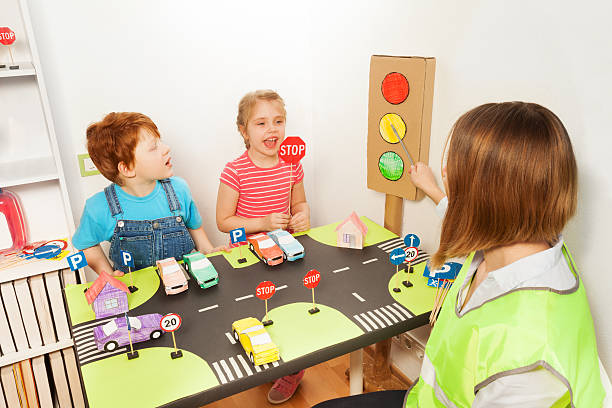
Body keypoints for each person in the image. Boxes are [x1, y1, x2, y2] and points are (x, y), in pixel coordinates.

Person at [314, 102, 605, 407]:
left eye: (454, 166)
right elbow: (461, 214)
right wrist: (431, 189)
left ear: (489, 197)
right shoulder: (519, 244)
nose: (445, 171)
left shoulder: (529, 359)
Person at [216, 90, 310, 404]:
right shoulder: (235, 171)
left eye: (278, 121)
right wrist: (264, 222)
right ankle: (264, 360)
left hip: (284, 252)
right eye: (261, 123)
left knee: (287, 309)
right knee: (253, 311)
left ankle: (293, 370)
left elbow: (299, 202)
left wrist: (302, 215)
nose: (272, 129)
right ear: (244, 131)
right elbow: (224, 221)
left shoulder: (291, 165)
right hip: (247, 257)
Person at [73, 112, 225, 276]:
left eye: (161, 142)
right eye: (154, 147)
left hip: (185, 283)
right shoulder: (98, 207)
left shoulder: (179, 189)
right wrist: (108, 274)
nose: (166, 148)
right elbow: (86, 244)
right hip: (139, 294)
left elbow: (199, 237)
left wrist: (211, 252)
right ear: (128, 169)